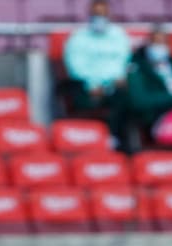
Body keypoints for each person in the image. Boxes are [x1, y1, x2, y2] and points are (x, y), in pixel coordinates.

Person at [63, 0, 131, 144]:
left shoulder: (119, 35)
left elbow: (124, 61)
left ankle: (119, 141)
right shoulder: (78, 38)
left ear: (109, 15)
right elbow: (75, 67)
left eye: (103, 13)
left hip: (115, 85)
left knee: (129, 96)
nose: (100, 17)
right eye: (96, 14)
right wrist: (93, 84)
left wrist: (117, 78)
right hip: (86, 86)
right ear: (90, 15)